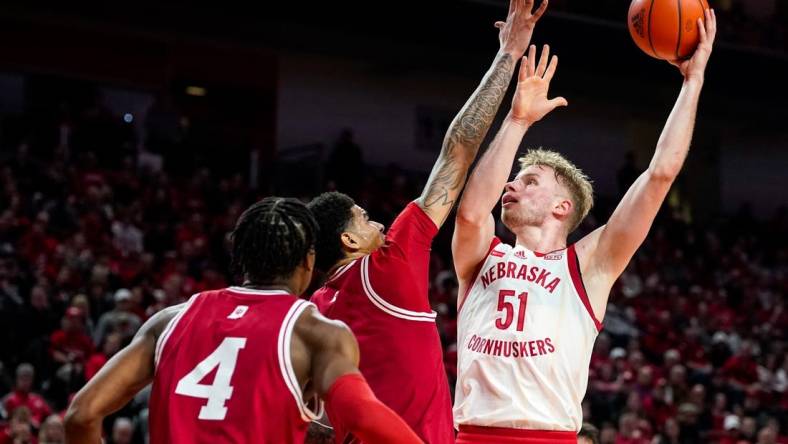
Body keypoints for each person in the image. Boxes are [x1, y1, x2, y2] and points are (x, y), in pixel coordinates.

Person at [451, 9, 717, 443]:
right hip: (472, 433)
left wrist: (692, 82)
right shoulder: (483, 255)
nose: (511, 185)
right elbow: (470, 214)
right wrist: (517, 121)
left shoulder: (588, 264)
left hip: (549, 436)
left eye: (529, 180)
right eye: (515, 179)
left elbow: (659, 175)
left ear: (562, 206)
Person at [307, 0, 549, 442]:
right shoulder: (384, 266)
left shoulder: (313, 311)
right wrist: (508, 56)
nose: (377, 223)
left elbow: (317, 425)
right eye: (364, 219)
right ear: (346, 239)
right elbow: (456, 151)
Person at [64, 197, 421, 444]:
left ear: (241, 258)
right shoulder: (313, 331)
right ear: (308, 262)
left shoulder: (169, 320)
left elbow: (81, 415)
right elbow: (361, 414)